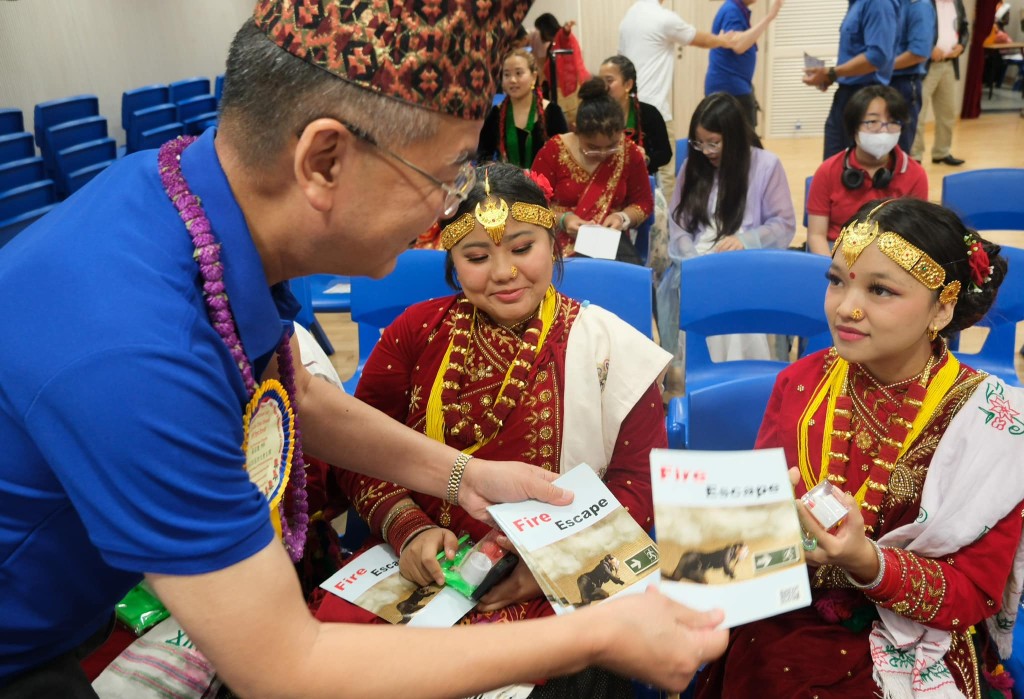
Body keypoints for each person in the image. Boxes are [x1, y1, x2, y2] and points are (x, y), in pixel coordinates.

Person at [0, 2, 730, 697]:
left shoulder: (182, 201)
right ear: (323, 159)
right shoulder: (138, 355)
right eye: (444, 180)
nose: (445, 212)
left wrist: (463, 476)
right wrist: (596, 632)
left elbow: (297, 395)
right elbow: (284, 663)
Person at [314, 162, 674, 698]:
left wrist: (547, 569)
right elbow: (358, 452)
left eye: (522, 248)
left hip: (557, 575)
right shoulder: (414, 333)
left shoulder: (607, 349)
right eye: (478, 257)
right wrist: (408, 528)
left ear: (555, 245)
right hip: (418, 568)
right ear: (452, 264)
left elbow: (639, 486)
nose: (504, 272)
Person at [694, 196, 1022, 698]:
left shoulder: (992, 423)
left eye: (880, 290)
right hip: (787, 614)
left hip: (917, 635)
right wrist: (758, 527)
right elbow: (756, 528)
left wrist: (868, 561)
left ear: (943, 308)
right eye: (836, 280)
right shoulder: (802, 382)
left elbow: (974, 593)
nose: (846, 306)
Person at [664, 92, 796, 362]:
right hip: (698, 263)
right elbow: (678, 226)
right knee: (697, 292)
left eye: (714, 143)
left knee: (735, 296)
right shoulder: (692, 166)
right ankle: (703, 378)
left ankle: (745, 374)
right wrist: (690, 258)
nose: (706, 151)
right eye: (699, 143)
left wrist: (746, 241)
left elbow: (783, 224)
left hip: (749, 261)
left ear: (734, 138)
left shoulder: (766, 165)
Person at [618, 0, 737, 197]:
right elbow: (699, 39)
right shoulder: (662, 17)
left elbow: (621, 60)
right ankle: (665, 225)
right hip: (655, 109)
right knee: (664, 175)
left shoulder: (628, 17)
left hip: (632, 106)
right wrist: (724, 41)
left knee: (637, 172)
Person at [531, 77, 654, 264]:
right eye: (592, 147)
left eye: (612, 146)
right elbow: (530, 208)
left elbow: (643, 202)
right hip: (558, 243)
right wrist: (562, 220)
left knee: (628, 285)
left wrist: (622, 217)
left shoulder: (629, 152)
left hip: (611, 247)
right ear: (576, 131)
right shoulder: (553, 151)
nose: (603, 154)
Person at [806, 85, 928, 256]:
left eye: (893, 122)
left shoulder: (915, 174)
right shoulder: (827, 171)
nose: (884, 130)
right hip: (837, 252)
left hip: (891, 257)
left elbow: (915, 238)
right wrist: (833, 273)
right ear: (854, 127)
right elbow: (816, 235)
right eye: (872, 122)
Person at [803, 0, 901, 159]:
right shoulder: (857, 3)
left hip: (867, 99)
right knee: (835, 163)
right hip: (847, 94)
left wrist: (833, 73)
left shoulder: (878, 3)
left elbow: (877, 57)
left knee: (855, 168)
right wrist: (833, 76)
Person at [477, 49, 569, 168]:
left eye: (519, 73)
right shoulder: (495, 113)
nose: (512, 80)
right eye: (507, 74)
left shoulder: (552, 112)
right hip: (509, 184)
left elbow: (565, 156)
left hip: (545, 183)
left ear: (534, 77)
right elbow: (483, 156)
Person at [705, 0, 785, 129]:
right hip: (730, 89)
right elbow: (738, 45)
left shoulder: (736, 9)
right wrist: (769, 17)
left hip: (733, 86)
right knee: (742, 142)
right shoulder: (732, 10)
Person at [911, 0, 969, 166]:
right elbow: (914, 29)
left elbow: (964, 28)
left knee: (948, 112)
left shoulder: (957, 3)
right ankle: (915, 156)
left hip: (949, 65)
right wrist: (928, 48)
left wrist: (962, 45)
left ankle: (941, 152)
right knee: (919, 113)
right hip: (926, 66)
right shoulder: (923, 3)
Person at [599, 54, 672, 176]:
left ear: (628, 85)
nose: (603, 87)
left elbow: (665, 154)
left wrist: (646, 159)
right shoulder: (595, 115)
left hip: (641, 179)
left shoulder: (649, 113)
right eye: (600, 81)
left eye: (609, 81)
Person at [890, 0, 937, 154]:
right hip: (885, 81)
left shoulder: (919, 5)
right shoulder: (892, 4)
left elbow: (919, 53)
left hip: (902, 84)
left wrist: (876, 66)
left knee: (898, 150)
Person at [531, 13, 590, 128]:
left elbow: (565, 39)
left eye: (538, 30)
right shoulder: (554, 42)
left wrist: (565, 31)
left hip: (567, 89)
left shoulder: (560, 37)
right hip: (562, 87)